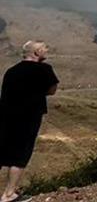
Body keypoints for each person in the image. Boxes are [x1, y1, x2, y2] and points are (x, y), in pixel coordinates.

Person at [0, 41, 59, 202]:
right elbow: (52, 90)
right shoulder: (44, 69)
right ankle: (8, 194)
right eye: (45, 48)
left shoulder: (11, 71)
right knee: (20, 155)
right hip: (29, 116)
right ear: (37, 52)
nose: (47, 50)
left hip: (6, 116)